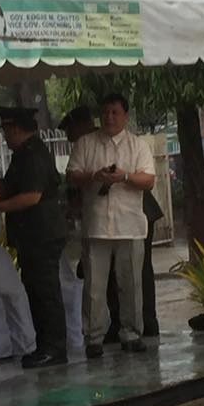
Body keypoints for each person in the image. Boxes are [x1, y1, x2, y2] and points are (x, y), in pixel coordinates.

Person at [60, 105, 163, 339]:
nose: (109, 117)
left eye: (71, 132)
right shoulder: (88, 144)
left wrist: (123, 176)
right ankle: (108, 328)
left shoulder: (133, 143)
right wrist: (94, 177)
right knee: (98, 282)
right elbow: (74, 178)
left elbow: (147, 179)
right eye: (106, 113)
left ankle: (142, 325)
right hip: (99, 223)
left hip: (135, 216)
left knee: (136, 276)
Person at [0, 106, 67, 368]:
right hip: (32, 235)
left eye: (5, 130)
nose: (4, 135)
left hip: (42, 233)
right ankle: (46, 344)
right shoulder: (21, 155)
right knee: (37, 291)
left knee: (45, 291)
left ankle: (54, 347)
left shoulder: (33, 154)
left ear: (15, 128)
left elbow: (31, 196)